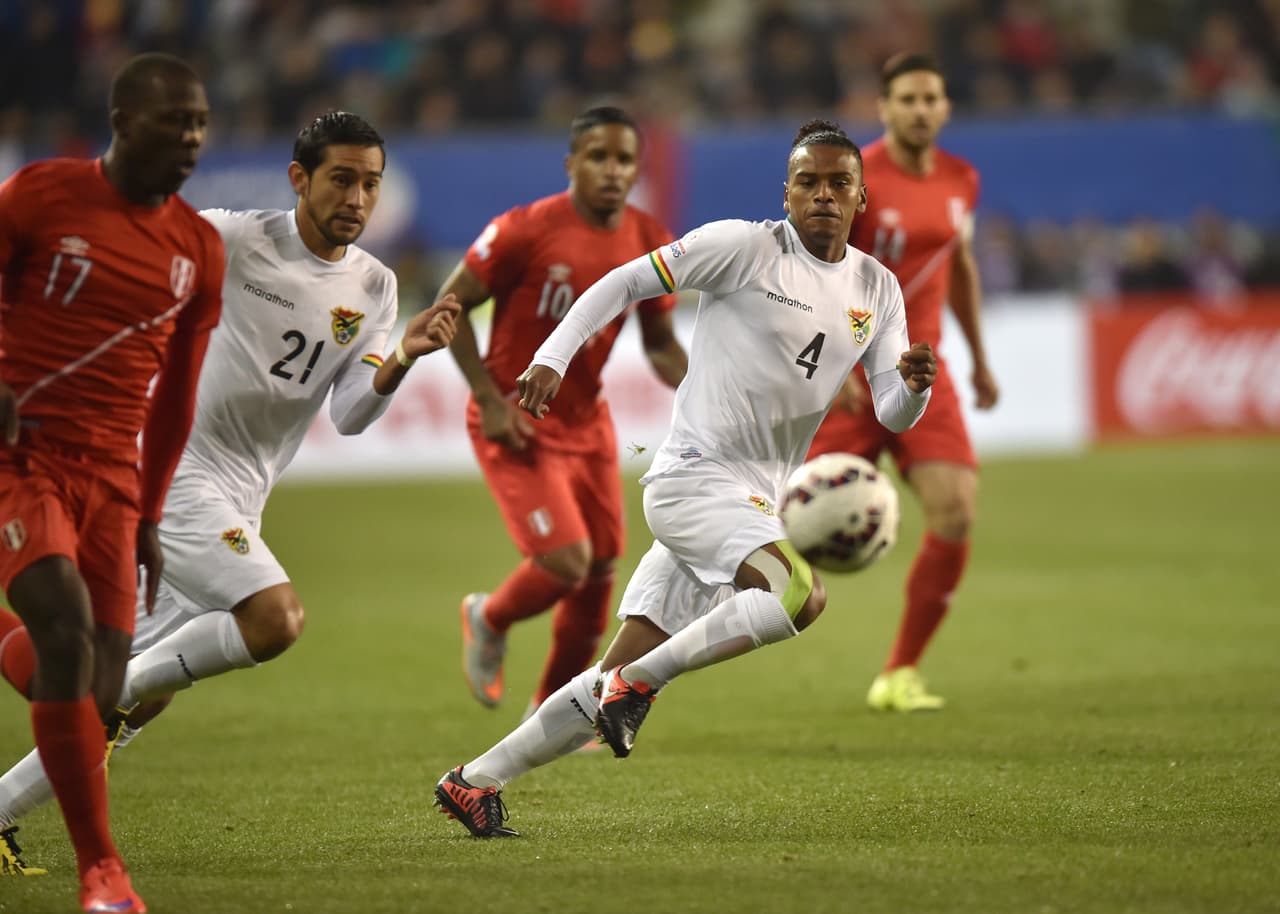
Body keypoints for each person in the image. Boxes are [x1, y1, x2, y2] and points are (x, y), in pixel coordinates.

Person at [433, 119, 937, 838]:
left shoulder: (876, 287)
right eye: (808, 182)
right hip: (695, 481)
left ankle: (474, 780)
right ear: (786, 193)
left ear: (861, 197)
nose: (823, 194)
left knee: (608, 674)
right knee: (799, 593)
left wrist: (913, 387)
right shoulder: (742, 247)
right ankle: (638, 686)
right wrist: (553, 355)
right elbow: (623, 281)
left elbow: (892, 411)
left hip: (757, 499)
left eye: (838, 183)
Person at [0, 111, 461, 872]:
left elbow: (349, 414)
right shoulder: (229, 237)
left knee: (134, 698)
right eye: (341, 179)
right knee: (273, 619)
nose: (357, 198)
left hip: (243, 497)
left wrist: (402, 357)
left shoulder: (375, 286)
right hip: (175, 474)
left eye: (371, 183)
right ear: (299, 178)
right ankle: (111, 688)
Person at [0, 53, 224, 911]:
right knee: (63, 633)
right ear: (125, 121)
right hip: (23, 455)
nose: (192, 138)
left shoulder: (197, 248)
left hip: (113, 475)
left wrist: (150, 512)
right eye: (176, 121)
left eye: (200, 123)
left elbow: (175, 397)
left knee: (96, 687)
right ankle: (103, 874)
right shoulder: (41, 194)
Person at [442, 106, 686, 715]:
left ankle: (551, 715)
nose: (613, 170)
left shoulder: (648, 239)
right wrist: (487, 398)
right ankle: (489, 617)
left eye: (624, 159)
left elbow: (660, 344)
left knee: (600, 572)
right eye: (598, 157)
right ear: (571, 163)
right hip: (516, 418)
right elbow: (450, 306)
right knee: (565, 562)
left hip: (587, 422)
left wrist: (711, 393)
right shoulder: (524, 230)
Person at [807, 53, 999, 713]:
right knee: (770, 526)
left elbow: (959, 264)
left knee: (957, 511)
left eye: (930, 98)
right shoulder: (854, 177)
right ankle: (650, 661)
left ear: (945, 107)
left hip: (921, 373)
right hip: (850, 379)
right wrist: (835, 361)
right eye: (908, 99)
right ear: (884, 107)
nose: (921, 110)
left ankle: (899, 672)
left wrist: (980, 358)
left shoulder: (962, 179)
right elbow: (819, 270)